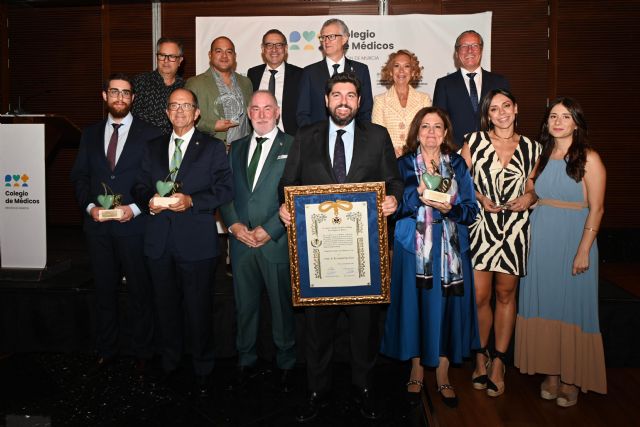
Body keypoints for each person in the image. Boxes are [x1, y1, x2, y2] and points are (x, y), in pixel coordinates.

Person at [278, 72, 403, 422]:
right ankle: (317, 392)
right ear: (326, 100)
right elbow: (288, 184)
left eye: (350, 95)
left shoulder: (377, 136)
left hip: (363, 257)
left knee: (364, 331)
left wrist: (394, 198)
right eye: (337, 94)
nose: (343, 101)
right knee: (317, 331)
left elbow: (395, 180)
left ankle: (364, 389)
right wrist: (284, 206)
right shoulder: (305, 136)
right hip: (319, 257)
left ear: (359, 102)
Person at [133, 88, 234, 397]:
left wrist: (192, 201)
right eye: (174, 106)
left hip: (196, 242)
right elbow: (137, 184)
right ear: (166, 113)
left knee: (198, 308)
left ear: (197, 112)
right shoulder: (150, 148)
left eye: (186, 106)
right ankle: (170, 361)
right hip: (158, 241)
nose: (179, 111)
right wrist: (146, 199)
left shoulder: (213, 148)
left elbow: (225, 190)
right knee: (164, 307)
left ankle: (203, 366)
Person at [380, 107, 480, 408]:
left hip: (451, 251)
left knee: (448, 310)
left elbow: (471, 210)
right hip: (414, 248)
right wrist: (416, 196)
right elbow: (392, 208)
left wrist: (453, 210)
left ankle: (444, 375)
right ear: (417, 131)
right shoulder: (403, 164)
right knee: (415, 309)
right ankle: (416, 370)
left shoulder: (458, 165)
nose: (432, 133)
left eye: (438, 127)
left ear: (446, 132)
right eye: (425, 127)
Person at [515, 97, 607, 406]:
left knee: (571, 307)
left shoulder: (589, 158)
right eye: (553, 116)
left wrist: (584, 250)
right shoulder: (542, 156)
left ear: (576, 123)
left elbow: (597, 209)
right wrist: (527, 197)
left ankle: (571, 378)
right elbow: (533, 190)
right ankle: (551, 373)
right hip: (541, 239)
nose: (558, 121)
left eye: (565, 116)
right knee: (546, 304)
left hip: (574, 240)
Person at [70, 73, 160, 374]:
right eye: (114, 92)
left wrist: (135, 209)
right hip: (99, 229)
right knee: (104, 292)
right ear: (104, 96)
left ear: (133, 98)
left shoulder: (150, 134)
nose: (120, 97)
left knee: (139, 291)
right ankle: (107, 349)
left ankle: (143, 350)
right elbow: (80, 177)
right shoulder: (89, 134)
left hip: (135, 227)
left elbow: (155, 181)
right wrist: (90, 206)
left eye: (126, 93)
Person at [460, 88, 541, 397]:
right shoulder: (475, 141)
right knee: (480, 296)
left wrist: (529, 196)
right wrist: (479, 196)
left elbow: (533, 186)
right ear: (488, 115)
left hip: (515, 228)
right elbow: (458, 178)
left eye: (506, 105)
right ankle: (480, 357)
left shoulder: (533, 147)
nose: (502, 112)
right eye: (494, 109)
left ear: (516, 108)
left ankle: (500, 362)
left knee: (506, 295)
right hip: (481, 226)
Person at [219, 90, 296, 392]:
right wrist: (235, 226)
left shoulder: (292, 146)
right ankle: (245, 358)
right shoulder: (235, 148)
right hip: (240, 242)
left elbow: (296, 195)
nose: (262, 114)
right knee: (244, 306)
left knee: (281, 307)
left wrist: (271, 229)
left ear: (277, 112)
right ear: (248, 114)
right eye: (256, 109)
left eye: (268, 108)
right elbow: (225, 192)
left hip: (274, 241)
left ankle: (287, 361)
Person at [433, 30, 510, 150]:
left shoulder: (499, 82)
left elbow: (507, 119)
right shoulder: (444, 84)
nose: (470, 50)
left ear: (481, 50)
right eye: (464, 46)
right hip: (456, 154)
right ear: (457, 53)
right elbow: (438, 122)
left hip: (494, 152)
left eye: (475, 45)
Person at [296, 18, 373, 128]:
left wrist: (359, 139)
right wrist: (313, 139)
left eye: (331, 37)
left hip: (353, 140)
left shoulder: (361, 70)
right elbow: (302, 114)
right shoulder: (309, 73)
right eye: (323, 37)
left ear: (344, 39)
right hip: (318, 140)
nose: (326, 41)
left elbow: (365, 111)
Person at [185, 36, 253, 144]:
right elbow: (185, 117)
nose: (224, 56)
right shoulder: (195, 83)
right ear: (210, 55)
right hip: (211, 150)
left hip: (242, 150)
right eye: (219, 51)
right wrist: (213, 126)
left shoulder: (246, 82)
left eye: (229, 52)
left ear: (235, 56)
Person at [372, 49, 432, 157]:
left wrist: (410, 152)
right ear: (390, 71)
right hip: (388, 159)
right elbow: (377, 136)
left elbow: (427, 132)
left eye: (406, 66)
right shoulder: (380, 100)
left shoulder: (424, 99)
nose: (401, 71)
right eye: (396, 66)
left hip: (417, 159)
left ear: (413, 72)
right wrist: (391, 152)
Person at [247, 29, 303, 136]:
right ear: (263, 49)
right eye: (269, 45)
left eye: (279, 45)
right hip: (259, 137)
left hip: (290, 139)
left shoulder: (300, 75)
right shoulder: (253, 74)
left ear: (285, 48)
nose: (274, 49)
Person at [132, 37, 185, 134]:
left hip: (175, 144)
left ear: (180, 60)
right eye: (162, 55)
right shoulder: (140, 82)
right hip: (144, 143)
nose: (166, 60)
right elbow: (132, 116)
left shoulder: (185, 87)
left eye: (172, 56)